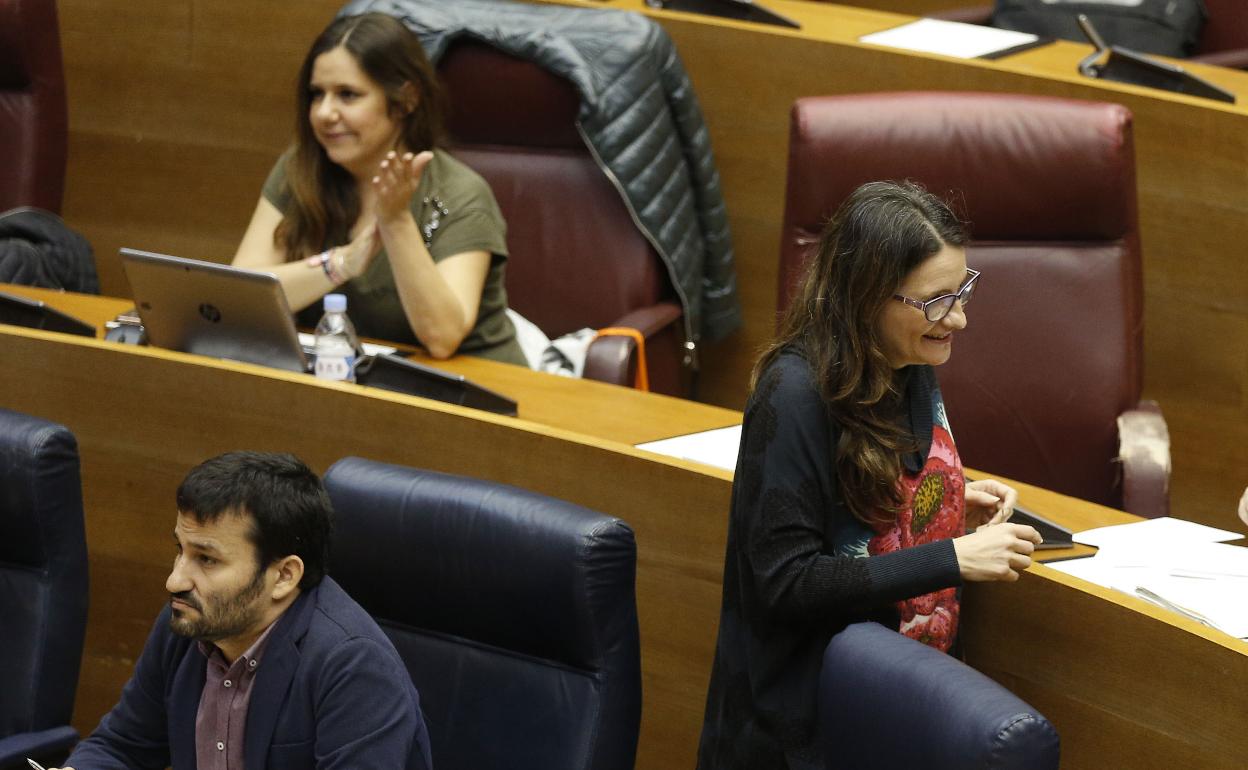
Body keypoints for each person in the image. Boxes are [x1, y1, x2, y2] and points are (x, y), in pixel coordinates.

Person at [696, 181, 1043, 770]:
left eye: (961, 290)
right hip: (804, 731)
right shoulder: (796, 393)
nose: (956, 317)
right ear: (866, 297)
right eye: (936, 300)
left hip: (896, 700)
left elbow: (871, 507)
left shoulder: (909, 361)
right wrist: (953, 557)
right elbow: (783, 583)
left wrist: (947, 506)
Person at [56, 451, 432, 770]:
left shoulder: (354, 667)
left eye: (206, 559)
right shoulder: (190, 623)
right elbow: (120, 748)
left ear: (284, 576)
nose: (175, 581)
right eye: (180, 550)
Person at [233, 13, 526, 365]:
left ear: (406, 99)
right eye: (317, 94)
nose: (325, 113)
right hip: (350, 383)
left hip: (471, 390)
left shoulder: (458, 193)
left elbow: (442, 337)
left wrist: (396, 219)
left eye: (348, 95)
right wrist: (339, 264)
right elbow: (241, 298)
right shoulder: (301, 170)